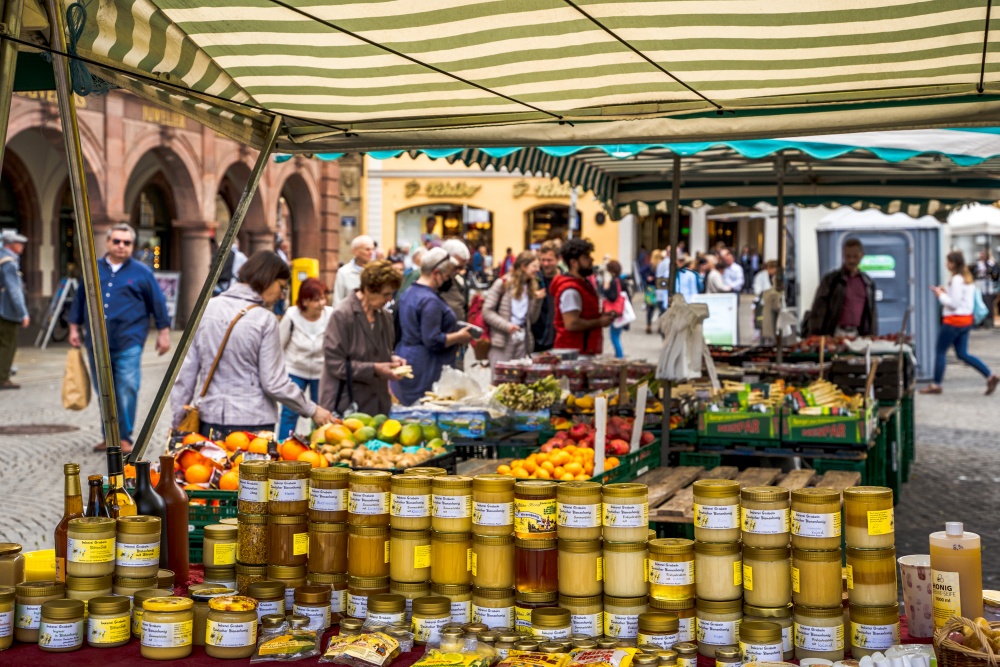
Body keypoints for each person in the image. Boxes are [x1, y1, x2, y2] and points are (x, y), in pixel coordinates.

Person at [170, 251, 334, 438]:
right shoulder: (265, 320)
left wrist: (178, 421)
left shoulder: (207, 308)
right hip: (254, 423)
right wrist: (312, 410)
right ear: (268, 279)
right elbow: (273, 383)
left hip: (210, 418)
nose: (281, 295)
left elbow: (186, 373)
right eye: (281, 287)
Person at [68, 224, 171, 452]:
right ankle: (109, 437)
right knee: (104, 389)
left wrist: (164, 332)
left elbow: (158, 303)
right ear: (108, 242)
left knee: (126, 388)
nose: (121, 246)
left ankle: (123, 438)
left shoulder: (142, 272)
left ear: (132, 246)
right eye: (117, 241)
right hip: (96, 343)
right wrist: (74, 328)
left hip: (129, 341)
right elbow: (80, 300)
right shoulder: (93, 268)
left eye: (127, 242)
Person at [320, 260, 405, 416]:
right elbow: (335, 364)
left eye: (391, 294)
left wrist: (393, 361)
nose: (389, 299)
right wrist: (374, 369)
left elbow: (377, 352)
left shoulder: (385, 317)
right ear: (368, 289)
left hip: (377, 405)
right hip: (346, 406)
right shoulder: (343, 315)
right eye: (385, 294)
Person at [392, 248, 474, 405]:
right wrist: (460, 336)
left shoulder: (410, 292)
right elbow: (432, 339)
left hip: (409, 358)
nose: (447, 280)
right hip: (426, 367)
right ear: (436, 273)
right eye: (447, 276)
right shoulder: (429, 301)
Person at [921, 251, 1000, 395]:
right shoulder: (967, 279)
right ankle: (989, 375)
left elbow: (954, 303)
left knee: (940, 352)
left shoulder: (957, 279)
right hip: (966, 321)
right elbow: (961, 299)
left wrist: (941, 295)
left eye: (948, 261)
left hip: (953, 321)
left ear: (953, 263)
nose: (946, 264)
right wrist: (947, 292)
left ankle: (936, 384)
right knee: (962, 354)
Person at [276, 278, 333, 439]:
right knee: (290, 411)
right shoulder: (292, 316)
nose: (322, 303)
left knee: (321, 413)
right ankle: (284, 444)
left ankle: (320, 446)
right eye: (316, 300)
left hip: (321, 372)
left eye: (323, 297)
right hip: (295, 369)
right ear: (305, 301)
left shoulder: (331, 315)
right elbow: (279, 345)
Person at [551, 238, 614, 355]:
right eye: (586, 258)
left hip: (582, 349)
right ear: (573, 262)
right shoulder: (571, 290)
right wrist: (599, 322)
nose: (591, 260)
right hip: (573, 352)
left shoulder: (583, 284)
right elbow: (571, 323)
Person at [807, 238, 878, 337]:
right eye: (848, 256)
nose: (851, 260)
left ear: (862, 256)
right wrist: (816, 335)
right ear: (843, 256)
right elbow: (818, 309)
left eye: (855, 256)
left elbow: (872, 314)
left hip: (858, 335)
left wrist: (872, 334)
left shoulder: (868, 283)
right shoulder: (831, 280)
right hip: (834, 333)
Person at [483, 250, 544, 364]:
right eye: (534, 266)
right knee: (500, 377)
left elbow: (532, 318)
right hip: (503, 341)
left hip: (522, 340)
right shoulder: (503, 283)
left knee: (518, 378)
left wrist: (537, 301)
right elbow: (487, 311)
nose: (538, 270)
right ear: (524, 267)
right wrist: (507, 326)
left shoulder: (531, 287)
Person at [0, 230, 30, 390]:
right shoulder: (9, 262)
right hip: (5, 311)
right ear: (10, 245)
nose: (22, 247)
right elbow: (14, 290)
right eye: (19, 243)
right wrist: (23, 313)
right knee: (8, 345)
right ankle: (3, 378)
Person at [531, 239, 562, 351]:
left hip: (557, 340)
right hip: (536, 339)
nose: (545, 264)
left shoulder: (564, 280)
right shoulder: (534, 278)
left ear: (559, 259)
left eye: (549, 260)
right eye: (542, 260)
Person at [333, 235, 375, 306]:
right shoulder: (344, 272)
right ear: (356, 251)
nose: (371, 253)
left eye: (372, 249)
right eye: (367, 249)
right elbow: (337, 301)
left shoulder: (376, 271)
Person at [600, 260, 628, 358]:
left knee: (614, 336)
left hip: (615, 312)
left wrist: (605, 289)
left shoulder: (613, 281)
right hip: (621, 311)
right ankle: (619, 356)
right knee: (616, 335)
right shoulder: (622, 280)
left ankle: (619, 357)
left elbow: (612, 297)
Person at [641, 249, 662, 334]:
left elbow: (641, 271)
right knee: (661, 308)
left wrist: (647, 278)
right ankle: (660, 326)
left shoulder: (650, 265)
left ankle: (649, 325)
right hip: (659, 288)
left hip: (650, 288)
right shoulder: (661, 265)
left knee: (650, 308)